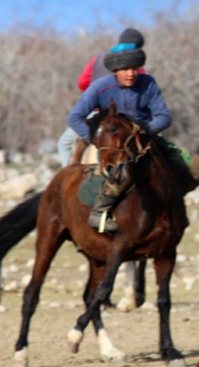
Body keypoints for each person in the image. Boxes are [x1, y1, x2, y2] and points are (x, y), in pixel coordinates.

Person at [67, 40, 171, 234]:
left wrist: (145, 130)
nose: (131, 73)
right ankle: (98, 212)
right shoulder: (99, 87)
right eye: (125, 69)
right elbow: (74, 117)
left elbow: (164, 117)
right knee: (120, 175)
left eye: (134, 68)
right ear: (115, 70)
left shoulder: (148, 83)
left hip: (143, 139)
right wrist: (95, 140)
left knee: (195, 167)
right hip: (110, 143)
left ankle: (174, 212)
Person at [57, 28, 146, 167]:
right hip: (127, 115)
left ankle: (67, 174)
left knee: (65, 144)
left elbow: (82, 83)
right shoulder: (137, 68)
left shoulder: (98, 59)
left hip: (97, 113)